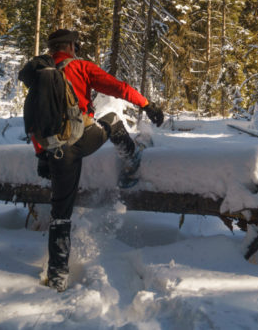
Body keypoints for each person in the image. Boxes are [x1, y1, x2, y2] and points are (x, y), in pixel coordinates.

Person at [20, 28, 164, 292]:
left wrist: (42, 155)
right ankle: (131, 162)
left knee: (60, 215)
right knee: (113, 122)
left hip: (55, 151)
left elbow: (33, 119)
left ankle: (57, 275)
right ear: (72, 47)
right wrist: (146, 105)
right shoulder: (81, 67)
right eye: (76, 44)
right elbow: (118, 88)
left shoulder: (40, 75)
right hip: (80, 141)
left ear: (53, 50)